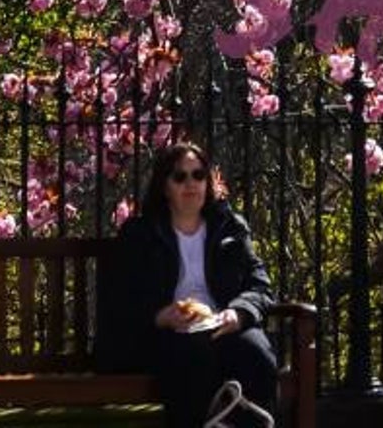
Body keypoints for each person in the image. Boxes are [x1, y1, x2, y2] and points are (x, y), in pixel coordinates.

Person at [96, 139, 280, 428]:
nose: (190, 183)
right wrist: (160, 316)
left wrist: (239, 312)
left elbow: (260, 286)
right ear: (165, 186)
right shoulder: (140, 235)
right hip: (167, 334)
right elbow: (118, 298)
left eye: (198, 175)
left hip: (223, 323)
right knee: (193, 354)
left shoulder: (230, 227)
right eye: (179, 176)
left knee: (257, 352)